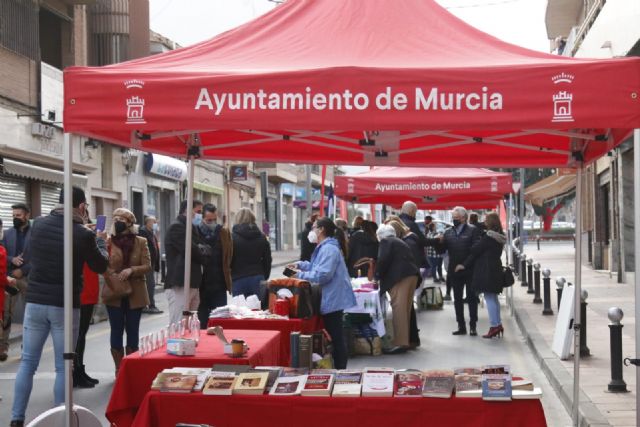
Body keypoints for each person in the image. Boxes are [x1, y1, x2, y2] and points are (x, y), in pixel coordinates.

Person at [11, 187, 109, 427]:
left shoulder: (38, 226)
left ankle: (16, 418)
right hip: (64, 305)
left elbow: (31, 259)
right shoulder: (83, 234)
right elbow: (100, 265)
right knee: (63, 365)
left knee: (27, 362)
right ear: (82, 206)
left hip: (35, 302)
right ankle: (60, 418)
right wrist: (100, 241)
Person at [292, 217, 356, 369]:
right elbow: (316, 267)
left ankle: (341, 370)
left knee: (336, 337)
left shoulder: (329, 249)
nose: (311, 231)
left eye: (314, 227)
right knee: (334, 336)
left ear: (321, 230)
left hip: (332, 299)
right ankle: (338, 368)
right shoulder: (324, 247)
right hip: (329, 298)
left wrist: (298, 275)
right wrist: (300, 265)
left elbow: (322, 275)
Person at [104, 208, 151, 375]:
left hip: (135, 292)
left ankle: (130, 367)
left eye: (122, 219)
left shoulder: (141, 241)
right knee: (116, 329)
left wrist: (132, 270)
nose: (117, 221)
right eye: (115, 218)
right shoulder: (107, 242)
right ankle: (119, 368)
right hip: (114, 292)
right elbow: (103, 266)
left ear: (130, 223)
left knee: (133, 330)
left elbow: (147, 266)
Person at [426, 206, 480, 336]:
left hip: (470, 269)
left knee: (472, 298)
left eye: (456, 218)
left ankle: (473, 325)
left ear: (463, 218)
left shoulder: (473, 231)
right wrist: (438, 242)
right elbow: (442, 250)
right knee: (457, 299)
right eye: (453, 218)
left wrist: (464, 265)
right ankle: (461, 326)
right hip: (454, 270)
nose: (454, 220)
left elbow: (475, 251)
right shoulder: (448, 232)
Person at [456, 212, 506, 339]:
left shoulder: (489, 237)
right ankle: (498, 324)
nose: (484, 222)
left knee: (489, 298)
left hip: (487, 270)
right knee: (493, 298)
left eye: (486, 220)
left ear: (490, 222)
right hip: (495, 268)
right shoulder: (499, 236)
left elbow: (475, 249)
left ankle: (494, 325)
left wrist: (478, 238)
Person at [375, 224, 419, 354]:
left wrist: (377, 276)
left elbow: (383, 260)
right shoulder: (399, 241)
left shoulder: (386, 241)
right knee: (405, 310)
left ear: (380, 235)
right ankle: (406, 340)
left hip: (400, 278)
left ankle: (400, 343)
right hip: (411, 276)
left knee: (399, 310)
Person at [165, 199, 206, 326]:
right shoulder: (177, 227)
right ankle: (176, 345)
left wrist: (201, 249)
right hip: (181, 282)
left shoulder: (192, 228)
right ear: (187, 210)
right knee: (180, 322)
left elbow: (203, 248)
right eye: (198, 211)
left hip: (193, 282)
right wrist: (201, 250)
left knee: (191, 322)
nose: (200, 215)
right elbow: (191, 250)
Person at [1, 203, 32, 362]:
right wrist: (11, 259)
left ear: (26, 215)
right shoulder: (7, 234)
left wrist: (24, 270)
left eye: (18, 216)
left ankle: (26, 348)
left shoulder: (35, 233)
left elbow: (39, 257)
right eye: (13, 216)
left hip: (27, 279)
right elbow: (1, 254)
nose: (15, 218)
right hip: (10, 279)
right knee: (6, 314)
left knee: (29, 315)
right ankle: (3, 348)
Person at [385, 219, 422, 349]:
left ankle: (405, 341)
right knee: (407, 310)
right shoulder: (408, 240)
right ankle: (411, 340)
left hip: (405, 278)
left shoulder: (405, 242)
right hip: (411, 277)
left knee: (403, 310)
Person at [198, 203, 233, 327]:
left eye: (214, 219)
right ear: (202, 218)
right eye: (209, 220)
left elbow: (229, 255)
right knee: (202, 320)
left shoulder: (223, 232)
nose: (212, 222)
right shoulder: (195, 232)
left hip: (219, 284)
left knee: (219, 320)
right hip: (201, 285)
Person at [230, 208, 271, 298]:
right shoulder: (262, 237)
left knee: (240, 310)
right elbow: (267, 260)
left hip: (238, 279)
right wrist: (264, 276)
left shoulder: (232, 238)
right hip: (258, 277)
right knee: (259, 310)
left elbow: (228, 260)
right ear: (253, 219)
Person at [139, 215, 162, 314]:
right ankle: (150, 305)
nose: (155, 224)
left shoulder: (151, 233)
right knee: (150, 285)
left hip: (151, 263)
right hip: (147, 263)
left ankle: (146, 305)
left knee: (149, 285)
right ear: (148, 223)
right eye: (154, 222)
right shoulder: (143, 232)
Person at [399, 201, 427, 269]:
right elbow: (422, 241)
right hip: (411, 260)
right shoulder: (411, 224)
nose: (415, 214)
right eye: (415, 212)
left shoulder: (397, 222)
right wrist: (437, 240)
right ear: (411, 211)